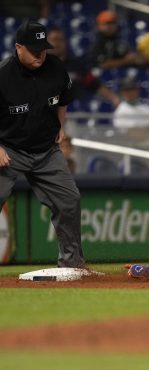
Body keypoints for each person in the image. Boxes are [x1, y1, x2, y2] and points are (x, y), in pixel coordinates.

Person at [0, 21, 85, 268]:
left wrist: (60, 125)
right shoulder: (3, 75)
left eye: (43, 48)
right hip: (9, 149)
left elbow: (63, 99)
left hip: (46, 151)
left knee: (69, 200)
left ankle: (72, 265)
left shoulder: (55, 67)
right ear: (18, 47)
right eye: (34, 48)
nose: (40, 53)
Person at [47, 26, 120, 109]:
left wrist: (114, 98)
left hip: (74, 113)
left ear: (65, 42)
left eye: (60, 40)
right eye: (54, 40)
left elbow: (95, 85)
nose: (57, 43)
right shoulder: (38, 66)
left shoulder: (77, 66)